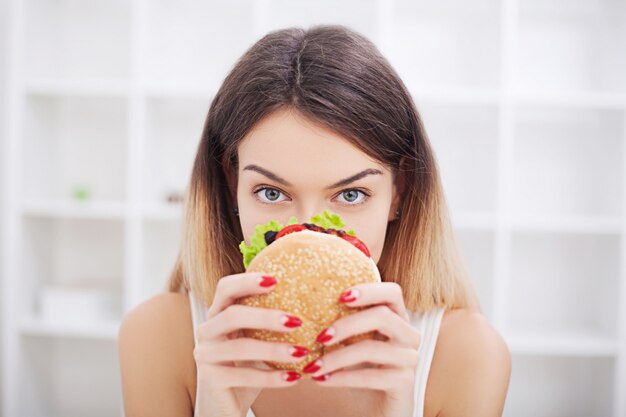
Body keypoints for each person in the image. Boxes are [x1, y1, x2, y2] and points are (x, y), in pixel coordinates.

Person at [118, 24, 511, 417]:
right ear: (231, 185)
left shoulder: (469, 355)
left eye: (351, 194)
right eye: (272, 193)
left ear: (400, 191)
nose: (306, 232)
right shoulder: (157, 337)